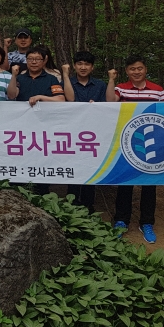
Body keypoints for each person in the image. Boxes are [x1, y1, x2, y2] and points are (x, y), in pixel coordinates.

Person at [106, 54, 164, 244]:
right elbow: (109, 103)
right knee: (125, 182)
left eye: (139, 68)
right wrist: (111, 80)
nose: (136, 72)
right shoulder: (121, 88)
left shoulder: (158, 90)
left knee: (149, 183)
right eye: (132, 69)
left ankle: (147, 222)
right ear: (127, 71)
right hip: (126, 142)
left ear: (145, 69)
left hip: (152, 143)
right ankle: (121, 220)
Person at [60, 51, 107, 213]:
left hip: (93, 134)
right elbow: (68, 100)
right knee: (73, 166)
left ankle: (88, 205)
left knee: (90, 167)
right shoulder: (66, 82)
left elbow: (107, 107)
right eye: (79, 64)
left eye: (87, 64)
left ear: (92, 67)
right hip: (71, 132)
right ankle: (71, 203)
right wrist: (65, 76)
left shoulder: (100, 85)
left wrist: (97, 107)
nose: (83, 67)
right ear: (74, 66)